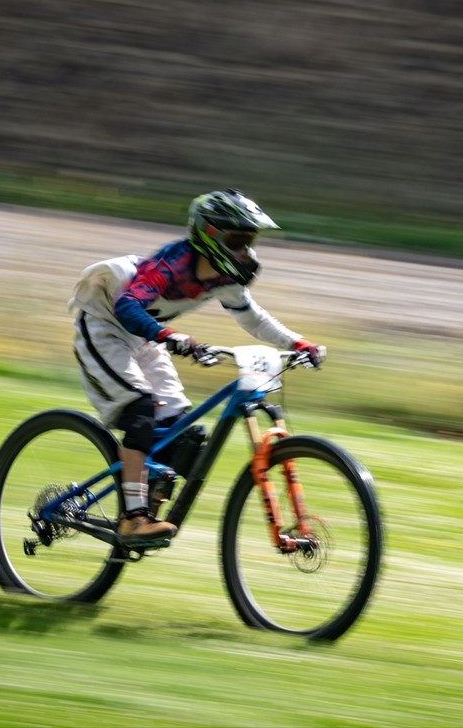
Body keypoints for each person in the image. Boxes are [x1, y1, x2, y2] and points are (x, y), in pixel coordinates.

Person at [68, 189, 325, 543]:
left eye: (250, 243)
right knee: (140, 411)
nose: (246, 252)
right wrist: (170, 335)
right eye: (238, 241)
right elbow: (127, 306)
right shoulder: (172, 266)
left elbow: (252, 317)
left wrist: (297, 343)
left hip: (147, 336)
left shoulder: (223, 276)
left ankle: (148, 496)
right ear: (210, 235)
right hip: (105, 327)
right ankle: (133, 519)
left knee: (180, 428)